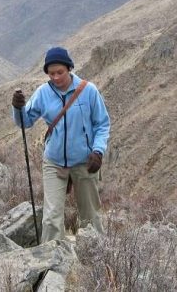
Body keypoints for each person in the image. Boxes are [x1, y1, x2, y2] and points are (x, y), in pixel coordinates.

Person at [11, 46, 110, 242]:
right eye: (51, 73)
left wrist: (98, 151)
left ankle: (96, 258)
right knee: (51, 217)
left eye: (60, 72)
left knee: (91, 216)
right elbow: (25, 121)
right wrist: (17, 107)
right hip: (54, 162)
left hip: (85, 161)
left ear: (69, 68)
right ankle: (50, 262)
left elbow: (102, 123)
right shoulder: (43, 93)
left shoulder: (88, 91)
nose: (56, 77)